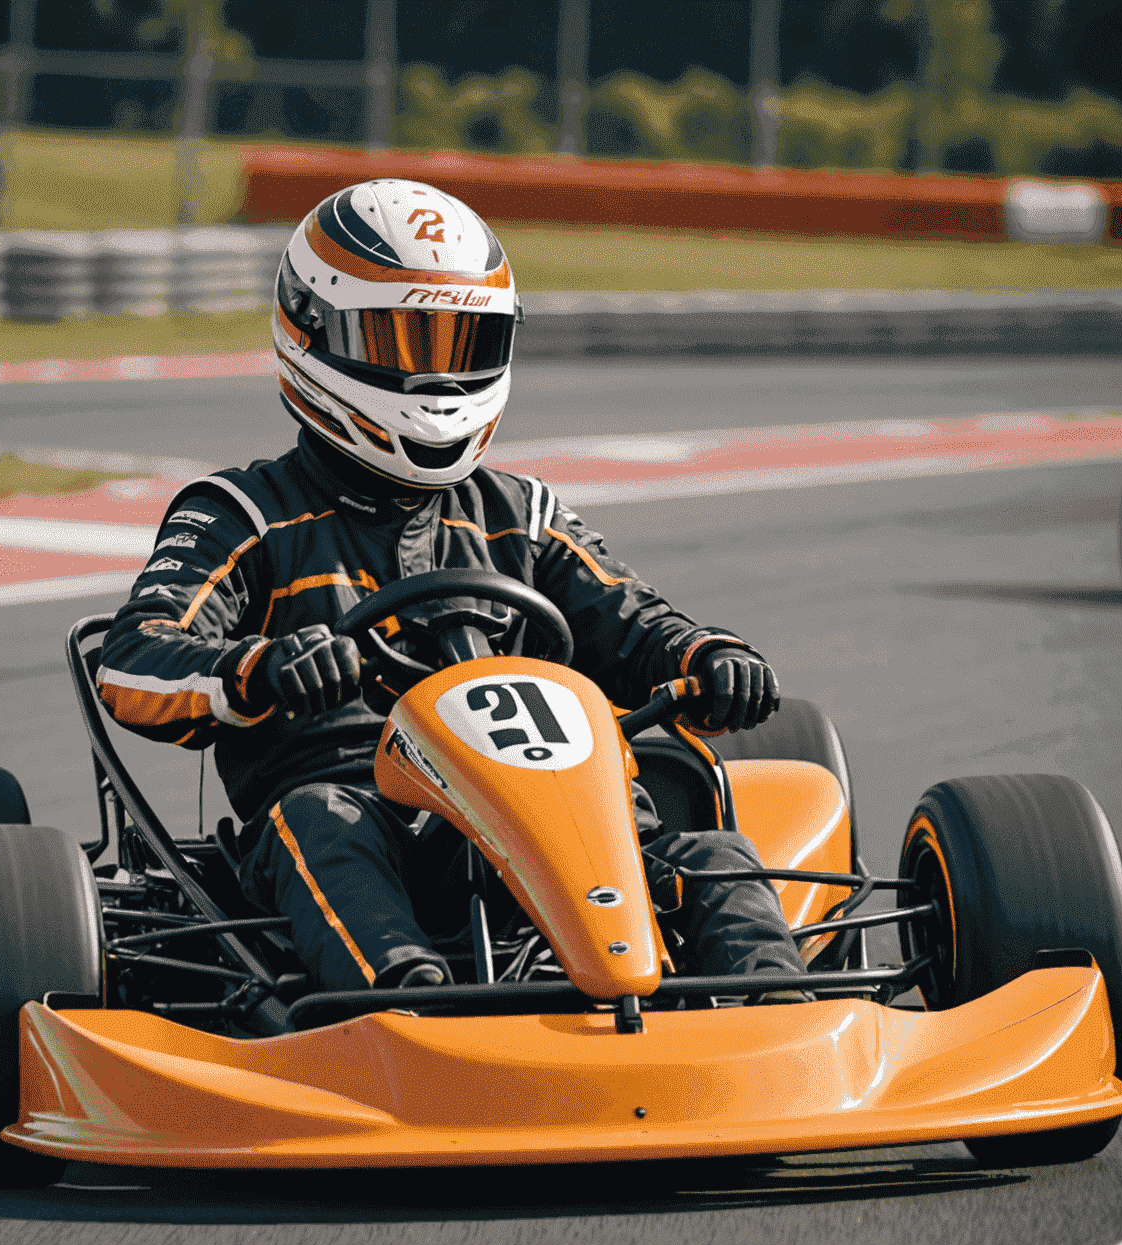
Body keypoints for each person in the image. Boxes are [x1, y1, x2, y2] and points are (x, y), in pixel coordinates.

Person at [98, 180, 807, 994]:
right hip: (357, 808)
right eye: (398, 341)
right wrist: (259, 670)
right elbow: (132, 662)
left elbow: (636, 623)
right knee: (318, 824)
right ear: (312, 330)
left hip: (549, 821)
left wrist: (707, 656)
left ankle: (780, 1021)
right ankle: (415, 1012)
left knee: (709, 852)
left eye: (458, 345)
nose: (433, 377)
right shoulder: (245, 514)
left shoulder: (524, 516)